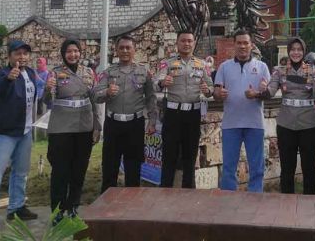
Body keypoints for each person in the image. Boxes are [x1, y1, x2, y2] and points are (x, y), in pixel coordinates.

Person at [0, 40, 40, 233]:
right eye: (17, 53)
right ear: (9, 56)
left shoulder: (30, 73)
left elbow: (35, 96)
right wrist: (8, 80)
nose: (22, 57)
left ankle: (16, 207)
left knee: (21, 173)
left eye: (25, 53)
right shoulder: (2, 74)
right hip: (5, 133)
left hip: (25, 131)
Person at [93, 35, 157, 193]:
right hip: (113, 124)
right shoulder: (108, 72)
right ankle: (107, 208)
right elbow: (95, 95)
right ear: (116, 50)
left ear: (134, 50)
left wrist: (152, 120)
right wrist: (107, 92)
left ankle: (131, 208)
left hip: (134, 124)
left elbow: (151, 97)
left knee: (133, 168)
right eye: (121, 48)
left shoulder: (143, 72)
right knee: (109, 167)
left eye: (128, 47)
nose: (125, 51)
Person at [45, 39, 100, 221]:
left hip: (84, 126)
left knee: (79, 169)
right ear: (63, 54)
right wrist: (47, 89)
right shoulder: (55, 73)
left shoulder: (89, 73)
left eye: (76, 51)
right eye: (69, 51)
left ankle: (73, 205)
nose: (73, 55)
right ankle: (58, 210)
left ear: (80, 53)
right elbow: (47, 101)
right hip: (62, 128)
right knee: (60, 170)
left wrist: (96, 126)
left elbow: (94, 101)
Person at [264, 38, 315, 194]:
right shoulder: (280, 70)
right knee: (287, 167)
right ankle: (287, 202)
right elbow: (270, 91)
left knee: (309, 166)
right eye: (293, 49)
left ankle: (310, 201)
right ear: (289, 51)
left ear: (304, 52)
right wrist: (261, 91)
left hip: (309, 124)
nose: (296, 52)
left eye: (299, 49)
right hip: (286, 124)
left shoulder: (312, 70)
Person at [214, 29, 271, 192]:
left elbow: (268, 93)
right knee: (229, 167)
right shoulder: (224, 67)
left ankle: (255, 200)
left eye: (246, 42)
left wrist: (259, 92)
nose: (242, 46)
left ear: (252, 45)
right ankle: (228, 201)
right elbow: (217, 91)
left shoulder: (262, 67)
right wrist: (219, 93)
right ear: (234, 45)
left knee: (257, 167)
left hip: (255, 124)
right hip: (231, 124)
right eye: (239, 43)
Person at [156, 31, 214, 188]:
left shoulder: (202, 65)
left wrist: (207, 90)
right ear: (177, 43)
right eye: (183, 41)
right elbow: (157, 81)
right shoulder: (167, 63)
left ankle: (188, 191)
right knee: (169, 155)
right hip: (173, 114)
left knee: (190, 155)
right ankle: (165, 189)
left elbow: (211, 88)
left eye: (189, 41)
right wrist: (163, 83)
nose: (186, 44)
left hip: (193, 114)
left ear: (194, 43)